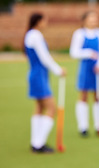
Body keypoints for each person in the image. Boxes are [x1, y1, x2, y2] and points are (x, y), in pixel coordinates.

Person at [24, 13, 66, 153]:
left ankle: (35, 142)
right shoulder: (35, 35)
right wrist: (58, 70)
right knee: (51, 108)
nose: (46, 23)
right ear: (38, 21)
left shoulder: (31, 34)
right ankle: (38, 144)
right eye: (45, 20)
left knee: (39, 107)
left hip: (37, 75)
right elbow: (44, 57)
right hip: (38, 76)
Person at [70, 11, 99, 137]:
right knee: (83, 96)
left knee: (98, 97)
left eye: (95, 18)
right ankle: (83, 127)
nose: (93, 21)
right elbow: (74, 52)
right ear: (84, 20)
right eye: (91, 18)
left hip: (97, 70)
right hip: (85, 68)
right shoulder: (79, 34)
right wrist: (88, 53)